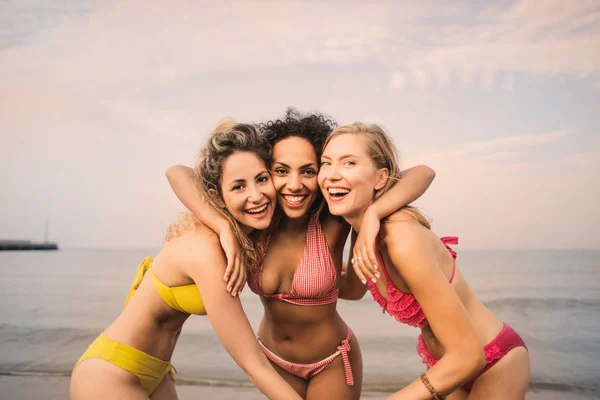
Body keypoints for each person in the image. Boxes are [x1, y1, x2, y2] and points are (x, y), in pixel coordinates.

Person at [166, 108, 436, 399]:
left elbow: (423, 173)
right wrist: (222, 227)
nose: (294, 185)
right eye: (281, 171)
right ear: (266, 172)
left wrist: (373, 215)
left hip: (332, 362)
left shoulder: (332, 219)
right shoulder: (255, 221)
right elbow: (177, 173)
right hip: (271, 359)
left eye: (308, 171)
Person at [70, 121, 303, 400]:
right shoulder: (206, 250)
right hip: (111, 372)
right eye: (238, 186)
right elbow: (252, 363)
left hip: (158, 373)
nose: (256, 195)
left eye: (262, 179)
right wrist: (224, 227)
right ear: (217, 197)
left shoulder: (246, 235)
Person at [318, 122, 530, 400]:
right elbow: (352, 289)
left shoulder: (402, 240)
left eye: (349, 163)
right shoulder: (361, 234)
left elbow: (469, 357)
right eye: (326, 163)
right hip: (445, 365)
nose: (332, 175)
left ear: (380, 178)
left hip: (491, 361)